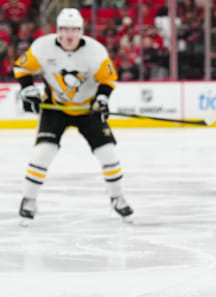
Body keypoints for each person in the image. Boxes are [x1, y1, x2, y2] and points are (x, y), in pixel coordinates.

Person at [14, 8, 133, 225]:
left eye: (74, 29)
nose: (69, 34)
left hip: (88, 109)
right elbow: (21, 69)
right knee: (43, 153)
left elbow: (108, 79)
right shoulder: (42, 47)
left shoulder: (95, 51)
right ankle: (29, 200)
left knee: (108, 154)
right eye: (65, 29)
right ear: (58, 30)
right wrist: (28, 89)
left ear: (81, 30)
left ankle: (117, 197)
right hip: (55, 107)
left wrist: (103, 99)